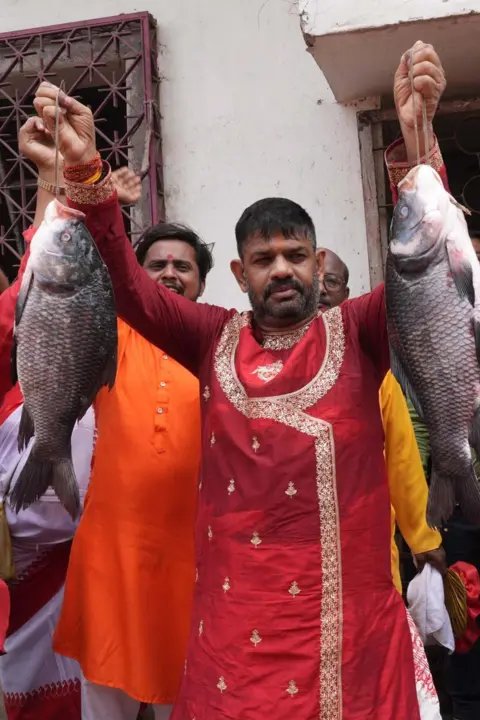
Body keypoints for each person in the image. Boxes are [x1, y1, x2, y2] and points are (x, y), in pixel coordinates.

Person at [35, 41, 448, 719]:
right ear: (239, 273)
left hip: (349, 636)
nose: (281, 269)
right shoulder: (210, 337)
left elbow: (428, 269)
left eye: (295, 255)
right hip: (237, 637)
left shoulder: (360, 331)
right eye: (263, 259)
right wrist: (84, 171)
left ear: (318, 264)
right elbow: (129, 287)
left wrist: (418, 143)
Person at [0, 116, 142, 720]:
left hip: (93, 577)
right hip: (21, 584)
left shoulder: (49, 340)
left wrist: (58, 177)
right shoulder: (17, 360)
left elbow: (43, 285)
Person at [52, 221, 212, 720]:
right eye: (156, 265)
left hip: (194, 558)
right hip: (111, 554)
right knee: (105, 696)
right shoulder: (107, 334)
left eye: (182, 266)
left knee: (188, 696)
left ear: (202, 282)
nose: (170, 273)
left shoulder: (219, 345)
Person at [318, 248, 445, 593]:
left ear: (346, 295)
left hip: (365, 549)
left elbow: (402, 457)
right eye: (315, 280)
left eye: (332, 282)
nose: (322, 289)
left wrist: (423, 538)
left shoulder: (372, 368)